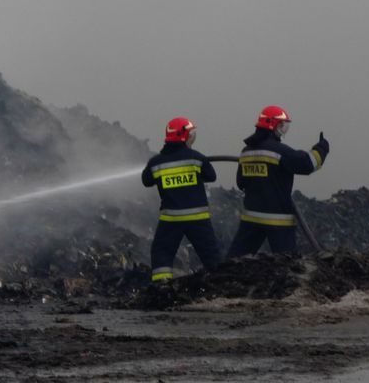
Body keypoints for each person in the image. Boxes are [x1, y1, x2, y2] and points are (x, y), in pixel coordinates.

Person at [226, 105, 329, 258]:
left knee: (234, 262)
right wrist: (322, 148)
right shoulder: (280, 151)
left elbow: (241, 182)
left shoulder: (246, 151)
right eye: (283, 126)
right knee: (288, 267)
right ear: (274, 125)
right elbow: (307, 164)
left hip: (251, 218)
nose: (284, 130)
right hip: (278, 221)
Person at [141, 117, 220, 283]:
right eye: (191, 134)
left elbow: (146, 181)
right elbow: (211, 176)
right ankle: (220, 284)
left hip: (171, 218)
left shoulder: (156, 163)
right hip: (197, 219)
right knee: (210, 254)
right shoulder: (196, 158)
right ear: (185, 136)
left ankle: (161, 286)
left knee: (162, 251)